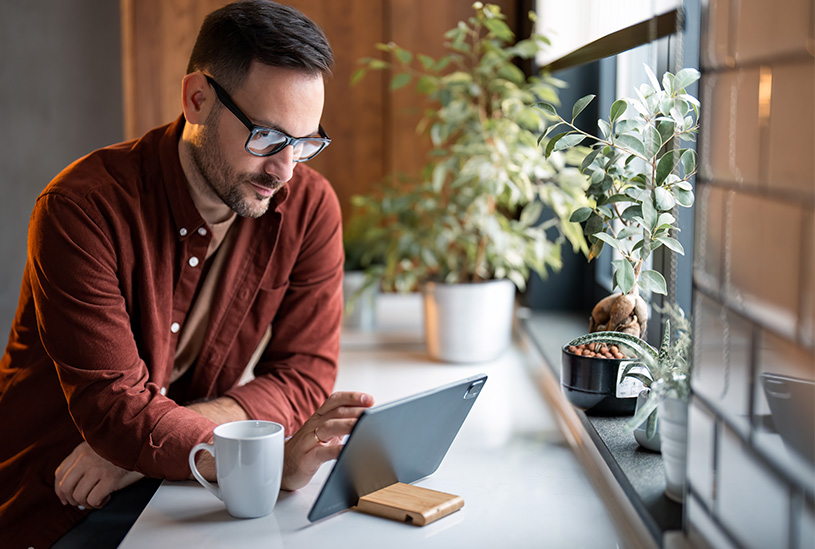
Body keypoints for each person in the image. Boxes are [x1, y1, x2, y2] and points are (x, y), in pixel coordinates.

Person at [0, 1, 373, 547]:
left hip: (174, 483)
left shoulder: (309, 207)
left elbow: (305, 373)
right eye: (266, 138)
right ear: (197, 99)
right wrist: (257, 459)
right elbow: (116, 412)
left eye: (304, 142)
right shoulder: (80, 209)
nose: (285, 170)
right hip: (63, 501)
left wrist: (152, 446)